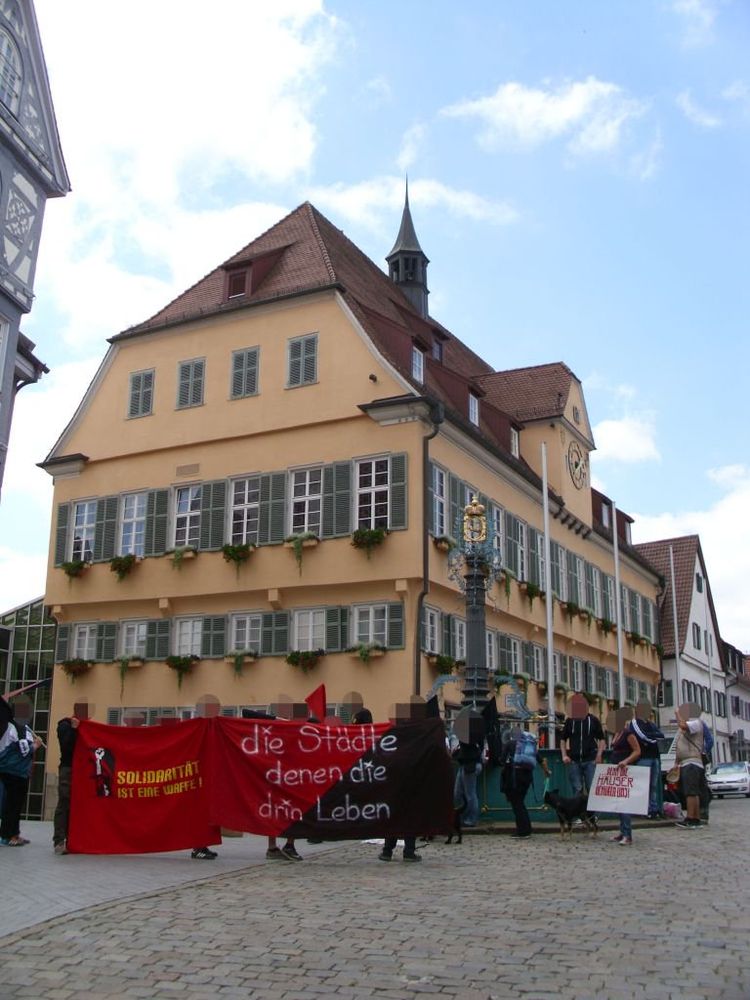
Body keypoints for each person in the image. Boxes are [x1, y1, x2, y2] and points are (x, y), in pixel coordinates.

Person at [0, 695, 41, 846]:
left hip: (13, 771)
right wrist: (36, 745)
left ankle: (14, 833)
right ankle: (8, 835)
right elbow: (24, 750)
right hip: (15, 771)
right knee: (13, 805)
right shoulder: (18, 727)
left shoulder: (15, 726)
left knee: (14, 804)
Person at [53, 704, 88, 855]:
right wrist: (74, 729)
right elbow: (66, 746)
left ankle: (74, 840)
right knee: (64, 802)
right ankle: (59, 841)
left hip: (83, 772)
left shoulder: (86, 727)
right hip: (68, 769)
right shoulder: (65, 725)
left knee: (79, 805)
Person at [559, 694, 605, 797]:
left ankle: (592, 808)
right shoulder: (570, 721)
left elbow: (602, 739)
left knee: (592, 789)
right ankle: (579, 807)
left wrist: (599, 755)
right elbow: (563, 739)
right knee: (577, 789)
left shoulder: (593, 720)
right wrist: (564, 755)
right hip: (574, 760)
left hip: (590, 760)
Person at [500, 728, 538, 840]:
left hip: (515, 778)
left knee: (517, 804)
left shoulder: (509, 744)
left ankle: (523, 831)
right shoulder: (528, 745)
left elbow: (502, 760)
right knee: (520, 803)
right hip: (527, 777)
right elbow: (538, 758)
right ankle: (527, 829)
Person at [674, 705, 708, 831]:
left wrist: (677, 714)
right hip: (687, 762)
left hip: (691, 762)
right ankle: (695, 818)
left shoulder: (696, 723)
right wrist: (676, 763)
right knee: (692, 792)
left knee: (691, 792)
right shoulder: (690, 723)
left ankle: (691, 818)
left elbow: (683, 726)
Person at [610, 714, 641, 846]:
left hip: (625, 770)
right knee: (619, 803)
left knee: (624, 803)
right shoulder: (617, 734)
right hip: (617, 771)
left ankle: (627, 834)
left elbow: (637, 751)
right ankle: (622, 831)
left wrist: (626, 761)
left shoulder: (628, 734)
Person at [630, 704, 664, 818]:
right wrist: (654, 738)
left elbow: (661, 736)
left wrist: (653, 737)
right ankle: (642, 809)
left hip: (654, 757)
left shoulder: (651, 724)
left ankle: (652, 809)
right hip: (644, 757)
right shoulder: (634, 723)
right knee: (643, 785)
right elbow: (642, 736)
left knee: (653, 785)